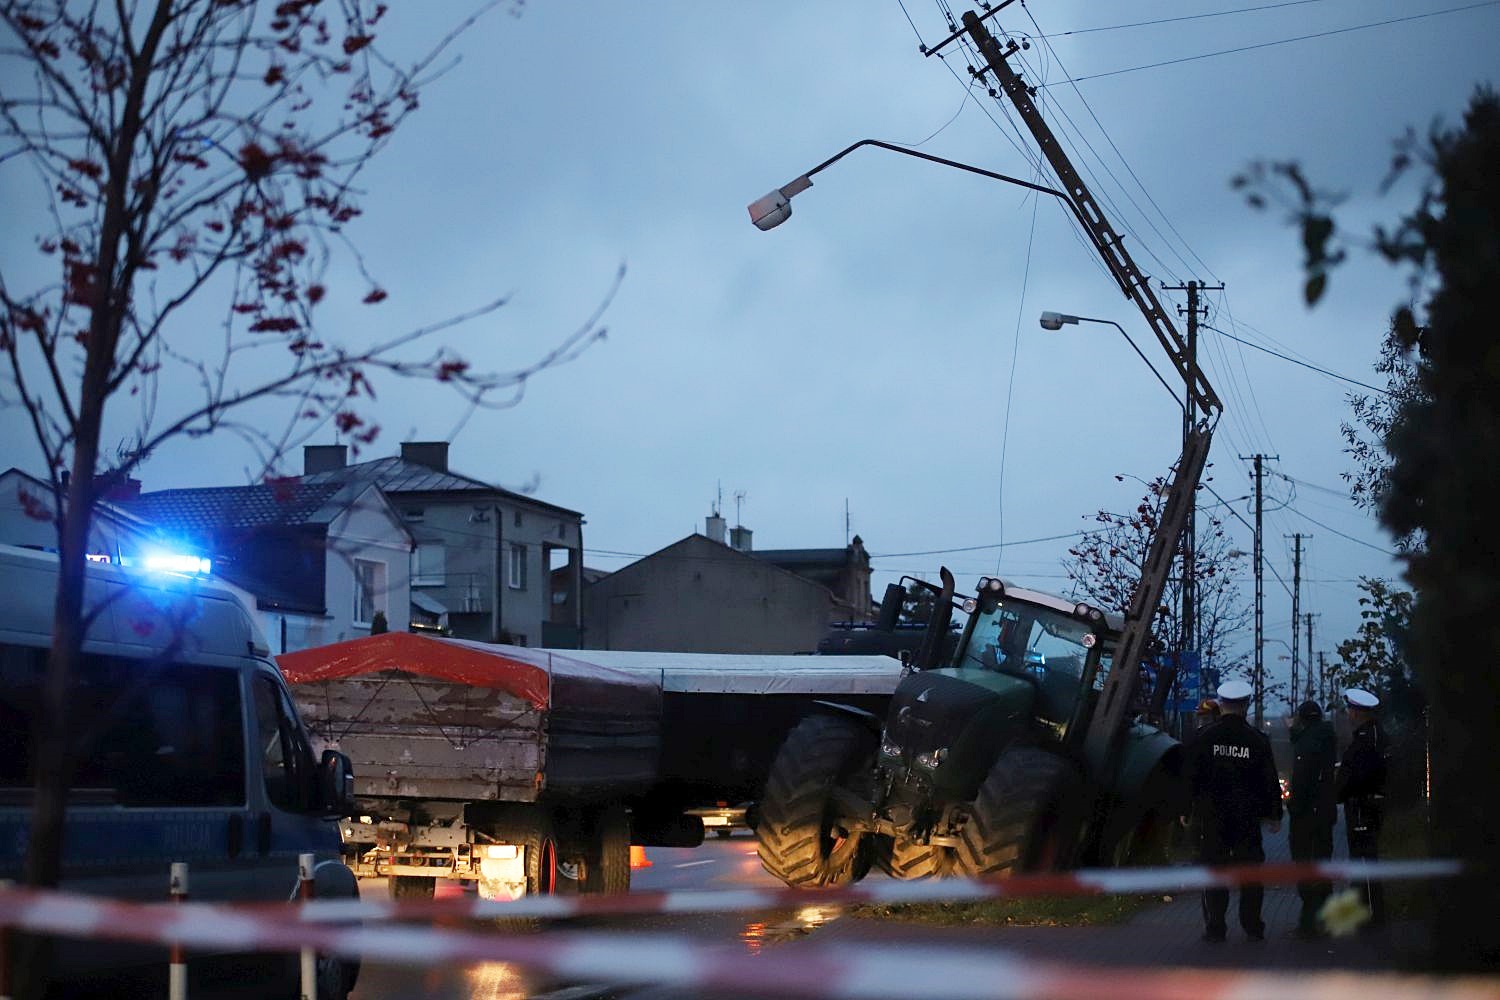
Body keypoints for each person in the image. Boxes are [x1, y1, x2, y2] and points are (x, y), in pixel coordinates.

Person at [1182, 679, 1283, 942]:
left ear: (1221, 704)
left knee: (1214, 873)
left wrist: (1184, 808)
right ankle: (1252, 926)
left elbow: (1190, 776)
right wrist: (1275, 814)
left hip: (1211, 817)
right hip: (1246, 818)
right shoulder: (1257, 739)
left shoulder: (1204, 737)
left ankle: (1215, 927)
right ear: (1245, 705)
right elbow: (1269, 779)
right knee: (1250, 874)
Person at [1336, 687, 1389, 926]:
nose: (1348, 714)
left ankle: (1369, 914)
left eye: (1350, 710)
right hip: (1371, 805)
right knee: (1367, 860)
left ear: (1357, 712)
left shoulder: (1364, 742)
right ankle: (1369, 911)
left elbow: (1354, 777)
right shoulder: (1378, 736)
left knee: (1364, 861)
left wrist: (1339, 790)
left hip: (1361, 808)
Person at [1287, 699, 1338, 936]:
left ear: (1302, 718)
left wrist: (1293, 806)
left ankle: (1309, 923)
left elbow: (1302, 779)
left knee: (1306, 866)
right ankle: (1325, 918)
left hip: (1307, 816)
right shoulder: (1325, 738)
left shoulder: (1308, 744)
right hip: (1324, 813)